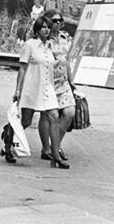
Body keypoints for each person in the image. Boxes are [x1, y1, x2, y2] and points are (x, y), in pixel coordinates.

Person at [10, 16, 69, 169]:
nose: (46, 30)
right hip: (32, 88)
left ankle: (55, 155)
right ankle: (8, 142)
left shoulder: (50, 47)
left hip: (47, 88)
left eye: (48, 27)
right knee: (26, 122)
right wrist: (18, 90)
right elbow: (22, 68)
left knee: (54, 117)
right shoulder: (29, 45)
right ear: (37, 30)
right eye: (43, 27)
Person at [46, 9, 77, 162]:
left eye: (60, 20)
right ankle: (49, 148)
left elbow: (67, 61)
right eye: (55, 20)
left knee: (70, 112)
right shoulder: (43, 39)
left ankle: (56, 146)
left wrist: (72, 82)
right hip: (48, 83)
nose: (58, 23)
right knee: (50, 117)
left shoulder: (65, 37)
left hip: (63, 82)